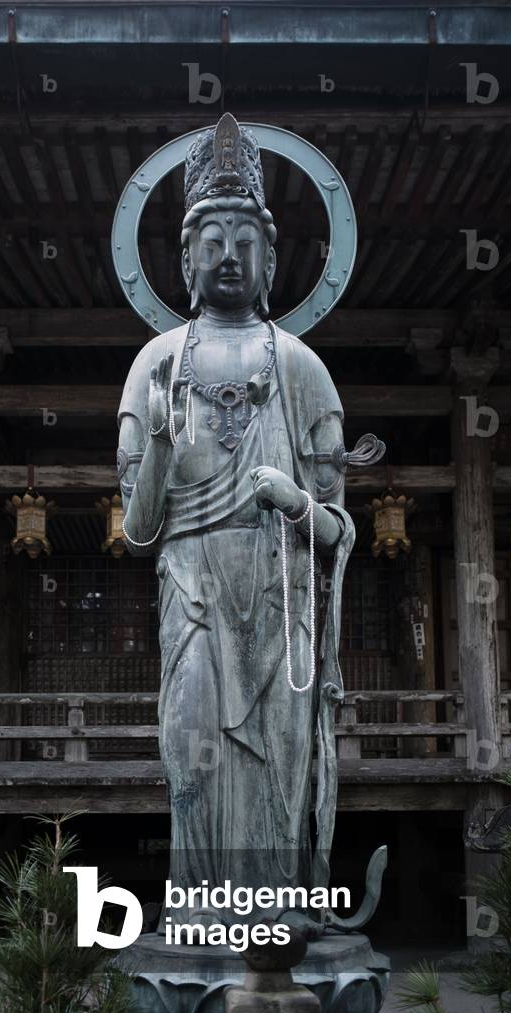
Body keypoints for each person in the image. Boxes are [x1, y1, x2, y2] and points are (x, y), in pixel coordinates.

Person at [117, 113, 356, 932]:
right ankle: (199, 915)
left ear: (270, 258)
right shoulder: (157, 363)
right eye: (209, 239)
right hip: (189, 595)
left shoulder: (300, 365)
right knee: (191, 763)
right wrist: (154, 438)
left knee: (275, 773)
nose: (226, 254)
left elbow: (339, 530)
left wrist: (296, 501)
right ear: (184, 259)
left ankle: (277, 921)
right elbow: (138, 529)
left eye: (242, 240)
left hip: (277, 597)